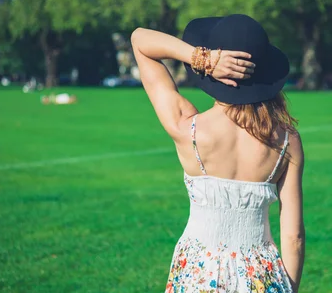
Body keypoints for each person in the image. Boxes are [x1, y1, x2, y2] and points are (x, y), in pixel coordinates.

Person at [131, 14, 305, 293]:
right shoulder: (287, 141)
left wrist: (202, 58)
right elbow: (293, 236)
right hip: (261, 274)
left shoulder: (187, 128)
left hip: (198, 273)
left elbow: (140, 40)